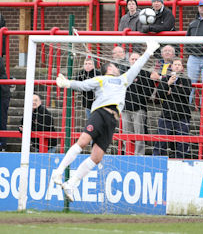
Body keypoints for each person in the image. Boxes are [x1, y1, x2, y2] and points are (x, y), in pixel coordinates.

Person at [52, 40, 160, 201]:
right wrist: (67, 83)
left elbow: (137, 67)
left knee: (97, 157)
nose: (118, 68)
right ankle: (58, 172)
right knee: (83, 141)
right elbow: (83, 85)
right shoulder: (101, 79)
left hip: (112, 120)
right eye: (115, 66)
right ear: (110, 68)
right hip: (100, 113)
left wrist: (149, 51)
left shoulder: (124, 79)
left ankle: (71, 183)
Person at [154, 58, 192, 159]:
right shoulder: (166, 79)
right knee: (161, 140)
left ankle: (181, 158)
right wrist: (168, 84)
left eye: (179, 65)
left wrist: (171, 90)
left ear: (182, 67)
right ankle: (157, 158)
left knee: (182, 141)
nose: (177, 66)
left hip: (182, 115)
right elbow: (159, 94)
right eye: (175, 64)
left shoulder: (186, 79)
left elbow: (186, 92)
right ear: (171, 67)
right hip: (167, 114)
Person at [122, 53, 155, 155]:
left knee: (139, 133)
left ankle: (139, 154)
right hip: (125, 109)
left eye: (137, 59)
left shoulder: (145, 74)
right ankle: (127, 153)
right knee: (126, 133)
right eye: (132, 59)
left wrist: (138, 100)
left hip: (139, 108)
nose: (134, 61)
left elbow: (149, 91)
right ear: (129, 60)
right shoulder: (124, 72)